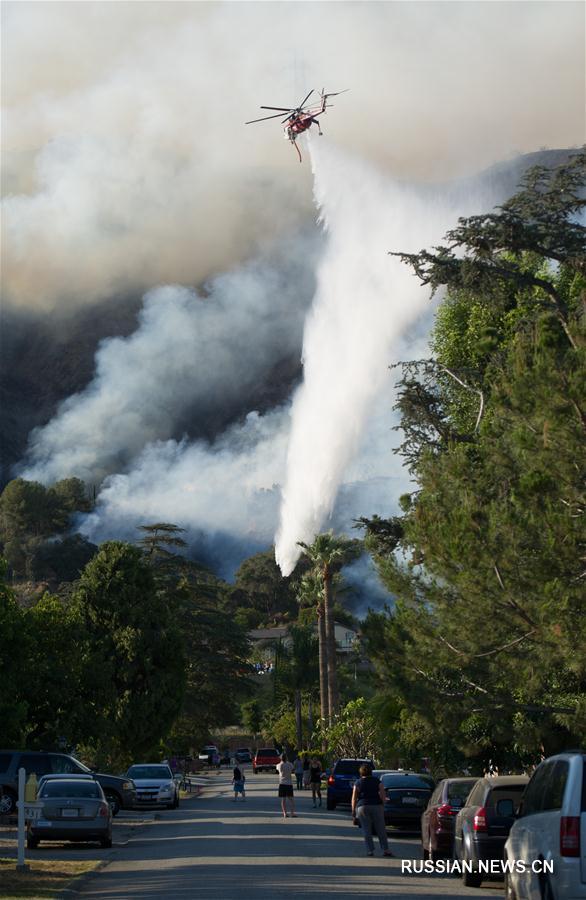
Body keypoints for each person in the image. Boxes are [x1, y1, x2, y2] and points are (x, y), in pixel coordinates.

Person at [351, 764, 393, 858]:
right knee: (381, 828)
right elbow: (382, 794)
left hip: (362, 806)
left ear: (361, 772)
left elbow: (354, 798)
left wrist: (353, 811)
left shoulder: (358, 783)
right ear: (371, 772)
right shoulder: (377, 781)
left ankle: (370, 850)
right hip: (376, 806)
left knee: (366, 830)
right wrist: (383, 804)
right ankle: (385, 849)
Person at [276, 753, 296, 818]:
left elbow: (278, 769)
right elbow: (293, 769)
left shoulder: (279, 765)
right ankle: (292, 813)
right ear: (286, 758)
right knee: (291, 799)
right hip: (289, 783)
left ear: (281, 758)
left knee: (283, 799)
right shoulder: (290, 764)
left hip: (282, 783)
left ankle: (285, 813)